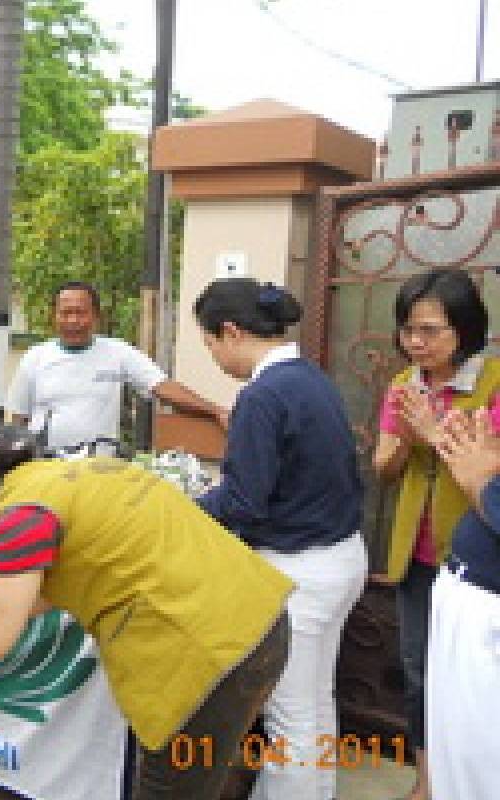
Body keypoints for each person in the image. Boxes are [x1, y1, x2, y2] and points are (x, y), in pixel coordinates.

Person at [0, 437, 294, 800]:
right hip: (259, 623)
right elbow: (31, 598)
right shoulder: (49, 479)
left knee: (170, 788)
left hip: (204, 657)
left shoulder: (16, 525)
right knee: (208, 779)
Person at [193, 277, 366, 800]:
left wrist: (177, 508)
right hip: (340, 558)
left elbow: (243, 503)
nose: (216, 358)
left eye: (210, 345)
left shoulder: (262, 396)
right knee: (316, 701)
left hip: (300, 576)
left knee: (289, 715)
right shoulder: (311, 379)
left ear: (230, 332)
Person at [371, 268, 500, 800]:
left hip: (475, 566)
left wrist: (434, 433)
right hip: (414, 551)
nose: (416, 343)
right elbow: (383, 468)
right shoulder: (404, 386)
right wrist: (406, 437)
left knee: (471, 685)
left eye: (430, 330)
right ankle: (427, 779)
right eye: (408, 330)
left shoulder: (493, 384)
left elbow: (488, 482)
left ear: (465, 330)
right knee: (418, 669)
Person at [7, 281, 227, 451]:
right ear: (53, 317)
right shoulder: (35, 357)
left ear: (96, 317)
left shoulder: (117, 352)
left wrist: (216, 411)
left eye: (80, 312)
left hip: (100, 469)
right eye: (65, 313)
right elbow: (18, 420)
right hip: (45, 466)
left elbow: (163, 387)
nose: (73, 321)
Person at [427, 407, 500, 800]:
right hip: (467, 593)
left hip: (489, 611)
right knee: (455, 754)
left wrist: (482, 481)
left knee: (478, 763)